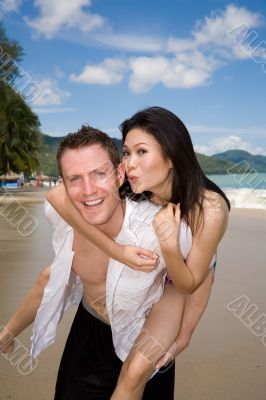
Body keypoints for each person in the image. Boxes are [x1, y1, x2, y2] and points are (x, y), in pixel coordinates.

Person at [46, 107, 230, 400]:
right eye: (127, 152)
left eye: (141, 152)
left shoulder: (209, 208)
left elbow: (192, 282)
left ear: (171, 156)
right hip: (138, 288)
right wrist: (117, 251)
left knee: (133, 374)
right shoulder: (137, 191)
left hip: (176, 289)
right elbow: (56, 196)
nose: (129, 163)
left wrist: (169, 247)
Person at [1, 125, 190, 400]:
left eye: (99, 174)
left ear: (120, 174)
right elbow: (54, 276)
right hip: (89, 333)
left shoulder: (159, 229)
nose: (88, 190)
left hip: (145, 341)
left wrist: (185, 335)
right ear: (63, 184)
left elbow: (199, 277)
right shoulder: (60, 217)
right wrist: (9, 332)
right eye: (75, 179)